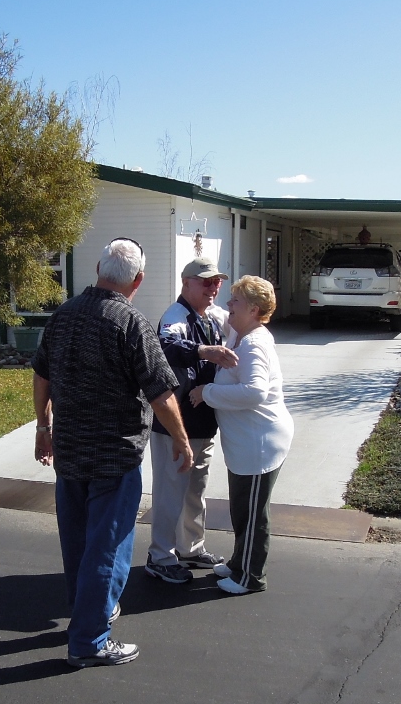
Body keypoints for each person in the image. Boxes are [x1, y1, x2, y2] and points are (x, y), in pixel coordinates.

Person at [33, 238, 193, 667]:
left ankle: (88, 611)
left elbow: (41, 376)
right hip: (113, 458)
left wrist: (43, 427)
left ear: (98, 268)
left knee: (79, 543)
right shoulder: (130, 323)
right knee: (108, 547)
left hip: (69, 453)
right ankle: (90, 640)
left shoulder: (62, 315)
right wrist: (180, 439)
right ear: (138, 279)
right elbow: (160, 392)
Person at [189, 275, 293, 594]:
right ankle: (239, 563)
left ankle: (251, 577)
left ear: (255, 309)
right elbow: (215, 316)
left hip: (259, 444)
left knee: (253, 513)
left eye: (236, 301)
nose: (228, 305)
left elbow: (254, 393)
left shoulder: (253, 343)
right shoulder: (241, 333)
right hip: (245, 445)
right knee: (241, 508)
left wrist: (206, 392)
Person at [145, 256, 239, 584]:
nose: (213, 287)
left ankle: (191, 548)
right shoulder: (176, 315)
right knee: (171, 491)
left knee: (195, 490)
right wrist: (205, 351)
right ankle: (160, 556)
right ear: (186, 283)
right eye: (206, 281)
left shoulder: (214, 316)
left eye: (217, 282)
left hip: (202, 422)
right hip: (175, 422)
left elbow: (244, 323)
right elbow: (169, 345)